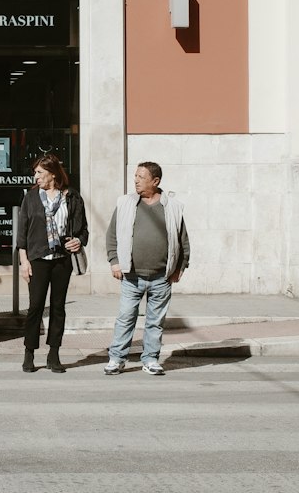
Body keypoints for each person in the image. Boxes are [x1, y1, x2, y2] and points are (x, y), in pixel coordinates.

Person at [104, 160, 190, 376]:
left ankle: (150, 359)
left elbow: (183, 241)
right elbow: (112, 235)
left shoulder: (173, 207)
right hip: (131, 276)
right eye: (135, 176)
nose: (136, 181)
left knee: (155, 322)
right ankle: (117, 359)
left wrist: (180, 267)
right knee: (125, 318)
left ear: (156, 181)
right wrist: (114, 261)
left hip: (162, 276)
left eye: (141, 177)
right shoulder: (125, 203)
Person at [17, 154, 89, 374]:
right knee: (35, 307)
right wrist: (23, 261)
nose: (35, 176)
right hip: (38, 259)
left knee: (58, 308)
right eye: (35, 172)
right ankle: (29, 352)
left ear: (52, 174)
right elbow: (22, 232)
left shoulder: (72, 197)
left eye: (39, 172)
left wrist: (79, 240)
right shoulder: (31, 198)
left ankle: (54, 354)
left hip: (62, 260)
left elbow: (82, 229)